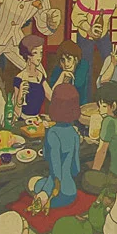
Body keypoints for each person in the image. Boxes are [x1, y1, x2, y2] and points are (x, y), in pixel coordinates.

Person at [27, 84, 81, 213]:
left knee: (31, 182)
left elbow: (54, 168)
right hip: (71, 192)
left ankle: (42, 199)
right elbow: (76, 169)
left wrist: (47, 191)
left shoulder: (52, 133)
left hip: (55, 193)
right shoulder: (74, 133)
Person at [80, 82, 117, 196]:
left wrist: (94, 172)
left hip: (116, 178)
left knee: (86, 177)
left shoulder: (108, 122)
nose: (99, 109)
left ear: (114, 106)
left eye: (103, 106)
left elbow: (101, 151)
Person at [13, 35, 52, 119]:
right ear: (28, 55)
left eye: (41, 52)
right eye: (35, 53)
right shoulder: (19, 78)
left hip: (37, 120)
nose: (39, 57)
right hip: (23, 121)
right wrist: (20, 96)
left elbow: (52, 97)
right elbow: (17, 113)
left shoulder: (40, 76)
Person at [49, 39, 91, 105]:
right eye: (63, 60)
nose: (66, 64)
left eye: (69, 59)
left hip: (80, 106)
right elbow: (52, 95)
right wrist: (62, 76)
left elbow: (77, 86)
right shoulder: (57, 70)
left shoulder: (83, 65)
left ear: (76, 59)